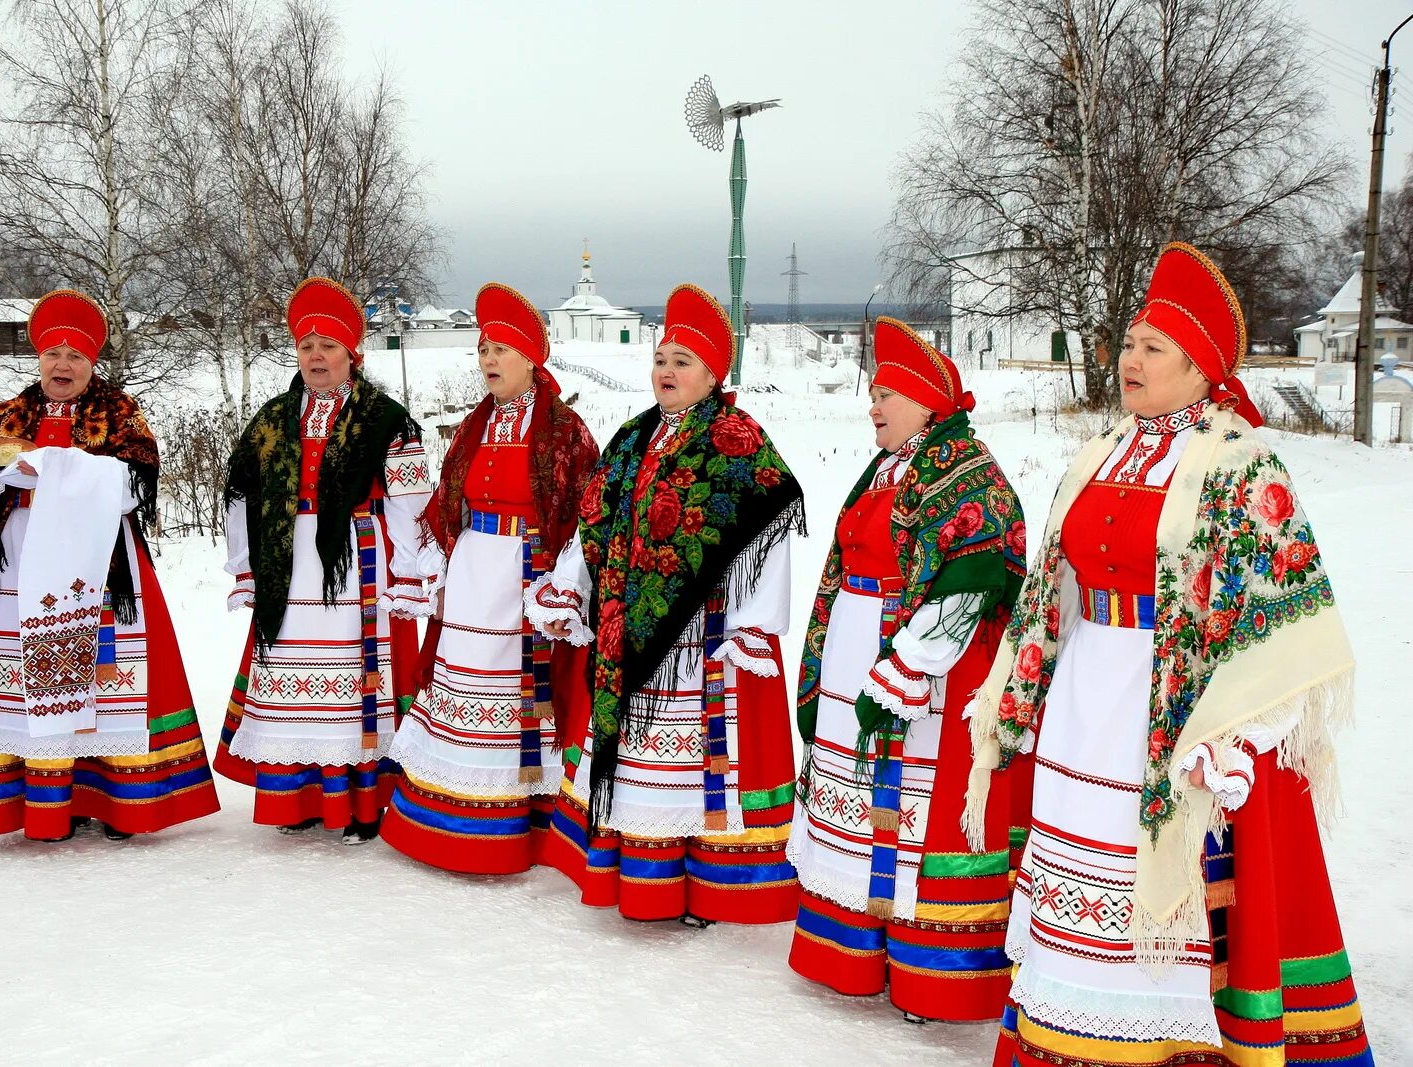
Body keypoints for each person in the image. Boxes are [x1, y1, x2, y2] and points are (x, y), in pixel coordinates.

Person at [966, 243, 1374, 1065]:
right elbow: (1053, 584)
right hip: (1088, 704)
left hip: (1171, 716)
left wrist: (1239, 734)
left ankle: (1155, 1040)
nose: (1130, 359)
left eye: (1154, 347)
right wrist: (1017, 686)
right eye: (1128, 344)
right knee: (1079, 893)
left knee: (1160, 896)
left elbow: (1287, 620)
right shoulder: (1100, 454)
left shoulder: (1238, 462)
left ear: (1202, 368)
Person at [530, 283, 805, 926]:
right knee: (636, 765)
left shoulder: (738, 443)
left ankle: (700, 892)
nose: (666, 372)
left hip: (695, 640)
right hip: (625, 634)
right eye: (661, 359)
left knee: (691, 774)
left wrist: (755, 625)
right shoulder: (632, 439)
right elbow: (594, 519)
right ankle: (638, 879)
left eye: (683, 361)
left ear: (712, 375)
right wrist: (571, 582)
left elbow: (768, 533)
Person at [786, 318, 1028, 1021]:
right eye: (875, 391)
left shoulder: (968, 474)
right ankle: (849, 952)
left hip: (925, 677)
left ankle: (933, 974)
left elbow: (974, 578)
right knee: (854, 809)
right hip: (856, 657)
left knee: (916, 820)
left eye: (888, 391)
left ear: (927, 402)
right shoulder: (885, 467)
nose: (874, 403)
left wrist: (910, 664)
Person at [0, 288, 219, 841]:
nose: (62, 365)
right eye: (53, 355)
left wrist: (56, 470)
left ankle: (118, 801)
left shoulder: (118, 411)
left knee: (106, 682)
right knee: (32, 676)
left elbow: (138, 484)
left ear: (92, 363)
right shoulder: (7, 414)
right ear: (39, 359)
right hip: (24, 562)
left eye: (75, 356)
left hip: (99, 563)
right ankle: (43, 801)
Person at [380, 283, 601, 874]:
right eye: (483, 350)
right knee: (461, 690)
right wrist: (432, 559)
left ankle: (521, 825)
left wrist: (560, 584)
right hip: (473, 573)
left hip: (524, 579)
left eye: (501, 349)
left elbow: (587, 514)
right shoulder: (473, 426)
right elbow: (449, 501)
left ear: (532, 357)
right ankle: (445, 820)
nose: (489, 361)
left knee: (519, 697)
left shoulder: (566, 431)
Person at [215, 276, 436, 843]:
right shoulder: (270, 420)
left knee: (355, 683)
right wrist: (246, 565)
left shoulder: (385, 418)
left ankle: (363, 805)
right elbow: (240, 493)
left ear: (351, 354)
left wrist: (409, 571)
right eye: (306, 345)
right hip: (288, 565)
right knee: (294, 679)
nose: (316, 355)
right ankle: (299, 801)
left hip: (356, 564)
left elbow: (411, 502)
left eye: (328, 345)